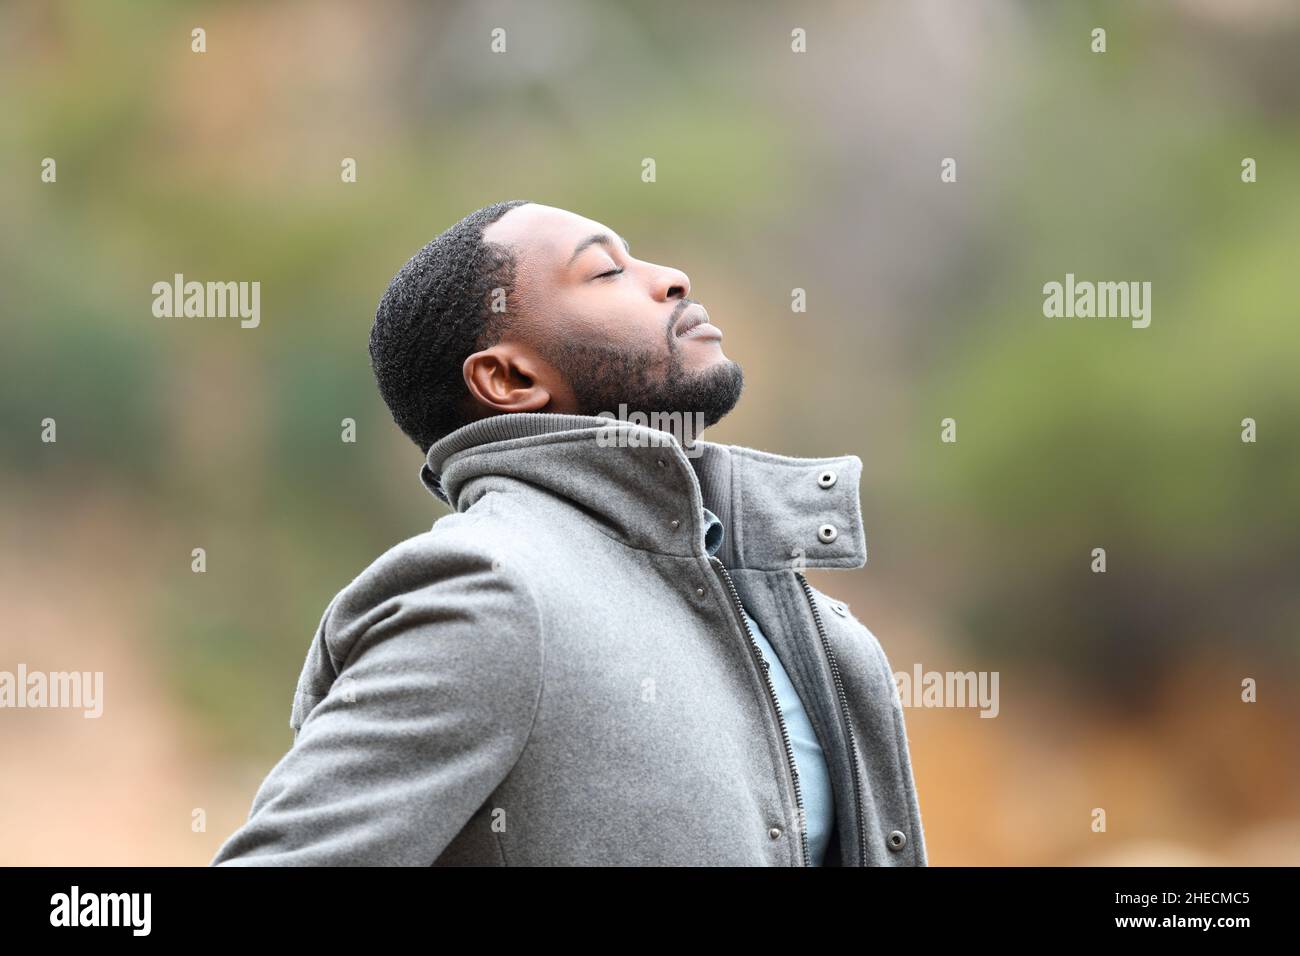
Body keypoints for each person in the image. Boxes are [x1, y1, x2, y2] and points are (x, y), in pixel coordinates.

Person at [210, 200, 927, 866]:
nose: (672, 279)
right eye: (607, 270)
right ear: (510, 379)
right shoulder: (490, 592)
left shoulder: (778, 601)